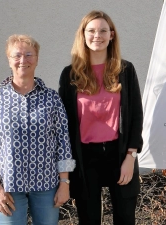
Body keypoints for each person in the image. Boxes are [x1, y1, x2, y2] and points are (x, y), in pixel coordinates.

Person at [0, 34, 75, 225]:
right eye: (17, 55)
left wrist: (64, 183)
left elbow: (63, 142)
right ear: (9, 60)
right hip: (8, 186)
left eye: (29, 54)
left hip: (46, 185)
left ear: (37, 59)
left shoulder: (52, 99)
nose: (23, 60)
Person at [58, 10, 143, 225]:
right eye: (92, 31)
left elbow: (135, 115)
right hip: (85, 158)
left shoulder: (125, 69)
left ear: (111, 35)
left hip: (120, 153)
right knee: (89, 219)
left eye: (103, 30)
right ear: (83, 35)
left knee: (125, 218)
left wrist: (130, 156)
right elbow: (64, 123)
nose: (98, 36)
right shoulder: (70, 75)